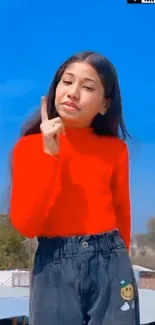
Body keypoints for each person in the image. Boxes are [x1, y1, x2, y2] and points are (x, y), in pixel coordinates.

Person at [9, 51, 140, 325]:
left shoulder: (115, 150)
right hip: (53, 267)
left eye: (88, 87)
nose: (73, 93)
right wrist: (50, 154)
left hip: (111, 262)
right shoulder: (28, 149)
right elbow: (27, 226)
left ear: (105, 104)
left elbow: (122, 212)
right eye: (67, 82)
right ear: (55, 89)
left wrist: (120, 267)